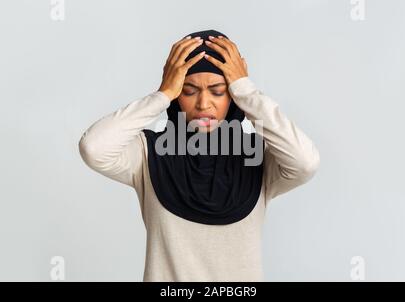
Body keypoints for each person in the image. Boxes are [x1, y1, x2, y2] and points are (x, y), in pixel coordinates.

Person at [78, 29, 320, 281]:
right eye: (189, 90)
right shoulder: (148, 155)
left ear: (233, 97)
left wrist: (245, 89)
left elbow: (306, 162)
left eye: (218, 91)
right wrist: (161, 95)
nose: (204, 104)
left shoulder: (257, 157)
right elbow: (94, 148)